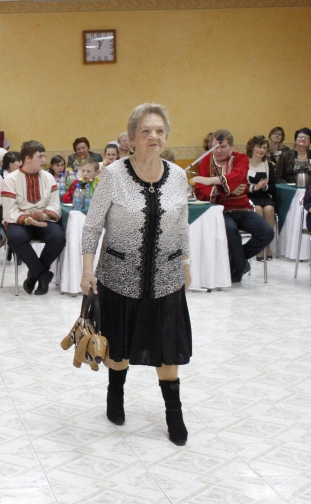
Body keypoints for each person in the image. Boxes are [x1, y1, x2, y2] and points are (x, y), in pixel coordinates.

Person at [81, 103, 192, 446]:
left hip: (167, 278)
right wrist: (86, 269)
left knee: (167, 347)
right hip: (119, 276)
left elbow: (182, 223)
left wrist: (186, 263)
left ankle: (174, 413)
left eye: (159, 130)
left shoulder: (178, 175)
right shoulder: (113, 175)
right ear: (131, 138)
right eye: (146, 131)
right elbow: (92, 225)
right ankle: (115, 396)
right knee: (120, 347)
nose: (153, 136)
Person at [193, 129, 274, 282]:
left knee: (266, 233)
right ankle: (239, 266)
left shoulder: (241, 158)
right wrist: (224, 190)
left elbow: (237, 176)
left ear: (232, 146)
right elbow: (200, 190)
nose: (218, 151)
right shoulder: (206, 161)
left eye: (223, 146)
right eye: (214, 147)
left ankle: (236, 262)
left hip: (242, 208)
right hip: (219, 210)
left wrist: (211, 181)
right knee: (231, 231)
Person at [2, 140, 65, 295]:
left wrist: (42, 216)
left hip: (43, 218)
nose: (44, 160)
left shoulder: (48, 177)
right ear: (28, 159)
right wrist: (28, 219)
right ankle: (43, 275)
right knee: (15, 238)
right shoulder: (10, 179)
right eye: (40, 156)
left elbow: (55, 205)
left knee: (58, 237)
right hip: (20, 220)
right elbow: (9, 211)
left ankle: (34, 275)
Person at [246, 135, 277, 261]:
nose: (262, 150)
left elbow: (273, 187)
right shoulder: (244, 163)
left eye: (264, 148)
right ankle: (258, 246)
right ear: (252, 147)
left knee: (269, 209)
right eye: (259, 147)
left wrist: (264, 187)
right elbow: (241, 185)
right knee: (258, 209)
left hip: (264, 196)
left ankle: (267, 244)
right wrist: (255, 187)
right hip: (249, 196)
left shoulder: (268, 165)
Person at [0, 151, 22, 223]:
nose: (21, 163)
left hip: (17, 206)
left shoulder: (21, 177)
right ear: (11, 164)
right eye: (19, 161)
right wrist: (15, 199)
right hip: (1, 208)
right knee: (14, 216)